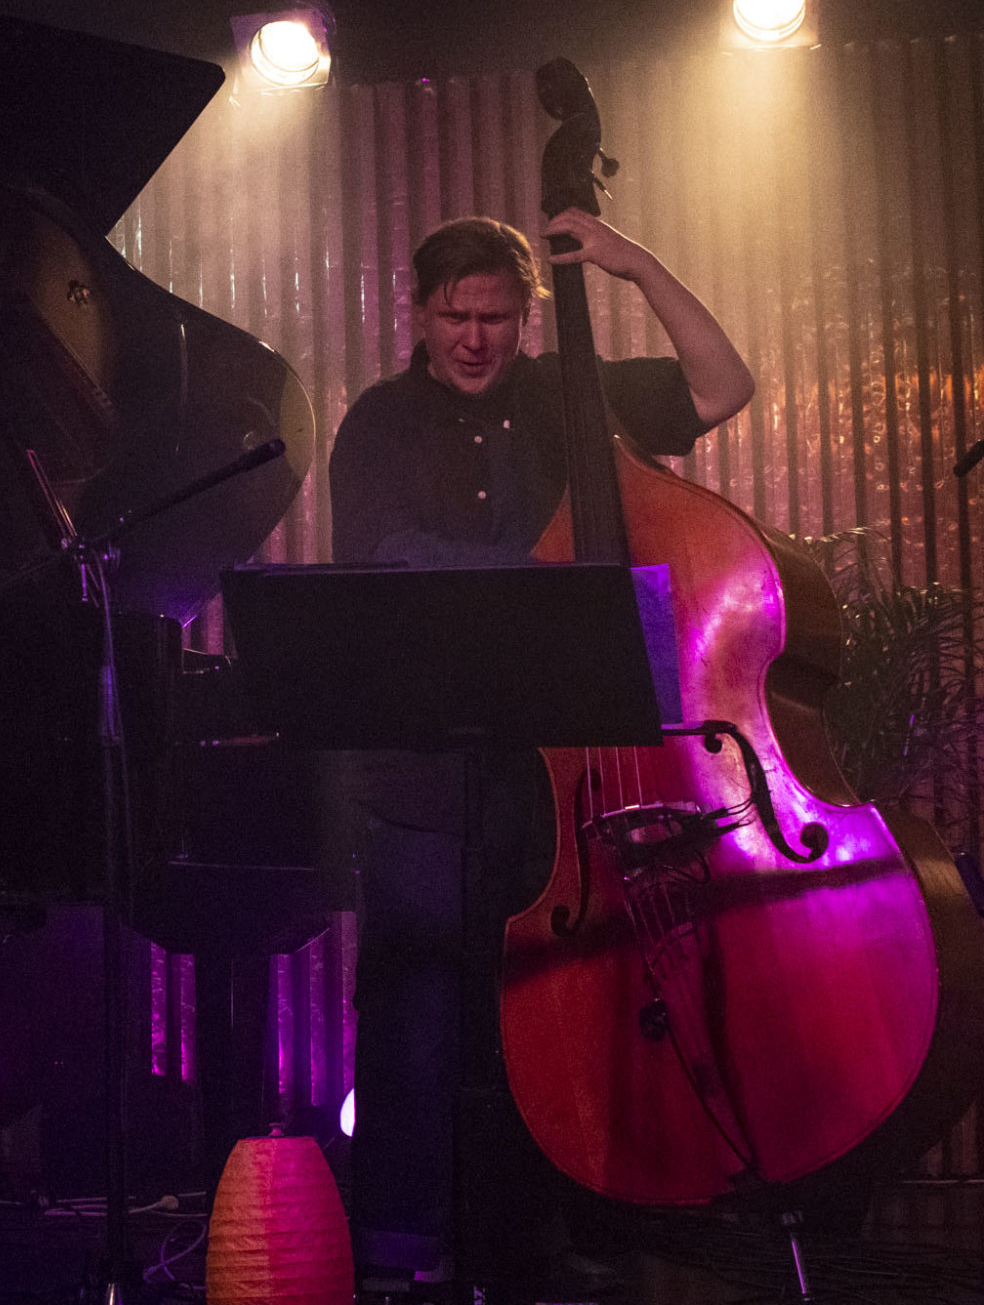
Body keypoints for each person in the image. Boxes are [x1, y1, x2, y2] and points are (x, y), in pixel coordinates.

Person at [326, 212, 753, 1294]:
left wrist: (636, 264)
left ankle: (540, 1243)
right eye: (454, 316)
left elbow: (721, 389)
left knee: (555, 1009)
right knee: (416, 1009)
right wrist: (546, 579)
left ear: (528, 315)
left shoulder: (575, 395)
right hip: (420, 775)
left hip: (558, 777)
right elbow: (383, 555)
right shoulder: (377, 422)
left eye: (497, 317)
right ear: (418, 313)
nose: (475, 338)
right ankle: (399, 1253)